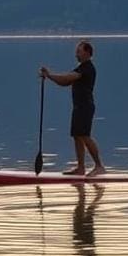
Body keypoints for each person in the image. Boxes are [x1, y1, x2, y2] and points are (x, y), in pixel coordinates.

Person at [39, 40, 105, 176]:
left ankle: (99, 166)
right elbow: (65, 82)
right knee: (77, 136)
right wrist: (50, 77)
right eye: (76, 52)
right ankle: (81, 168)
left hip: (85, 107)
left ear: (87, 53)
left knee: (85, 136)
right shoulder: (81, 67)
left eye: (79, 51)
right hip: (78, 107)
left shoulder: (87, 68)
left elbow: (66, 78)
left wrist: (50, 75)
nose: (76, 54)